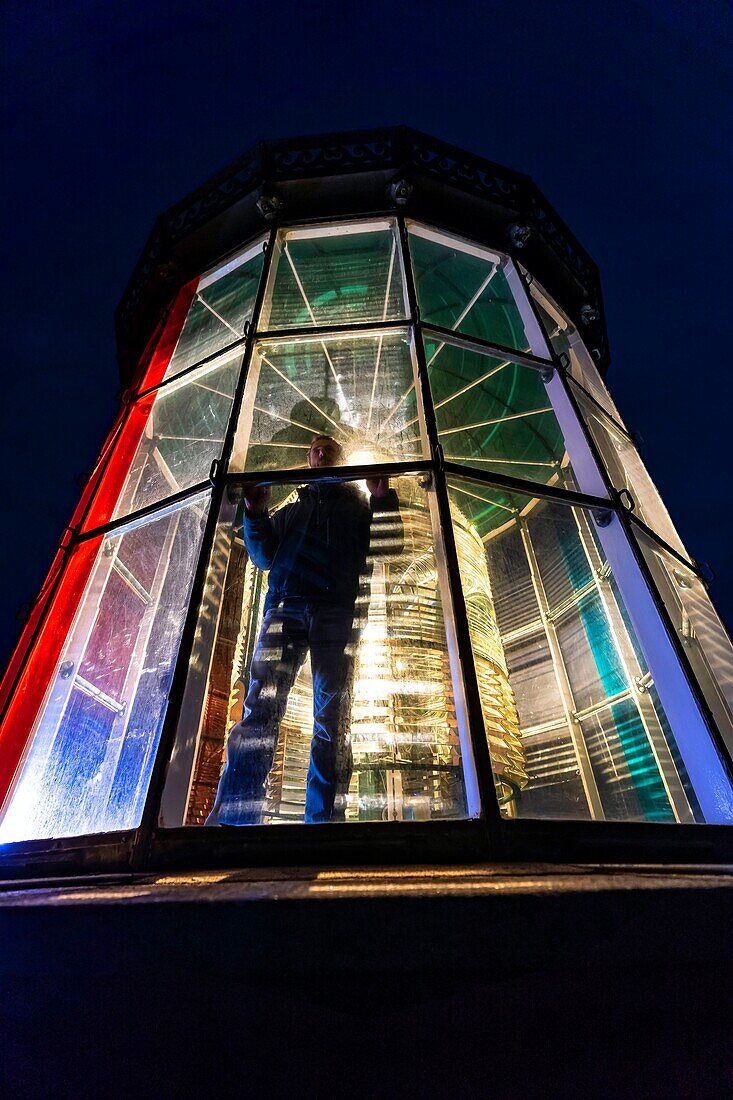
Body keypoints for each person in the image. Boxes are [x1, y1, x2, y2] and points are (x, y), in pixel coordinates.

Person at [207, 435, 401, 825]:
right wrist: (256, 513)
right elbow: (261, 556)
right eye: (314, 449)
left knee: (330, 716)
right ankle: (239, 820)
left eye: (328, 448)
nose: (320, 453)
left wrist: (381, 499)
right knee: (264, 710)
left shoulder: (357, 509)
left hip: (329, 613)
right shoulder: (293, 510)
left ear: (341, 459)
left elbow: (389, 548)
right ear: (309, 461)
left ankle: (309, 824)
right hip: (294, 611)